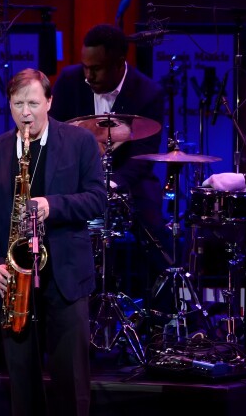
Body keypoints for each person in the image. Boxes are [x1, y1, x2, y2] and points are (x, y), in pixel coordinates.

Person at [0, 68, 105, 416]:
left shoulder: (80, 142)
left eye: (33, 103)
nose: (26, 113)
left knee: (71, 385)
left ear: (49, 101)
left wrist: (52, 205)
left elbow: (97, 199)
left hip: (65, 276)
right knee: (22, 386)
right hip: (15, 282)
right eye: (18, 104)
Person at [50, 23, 171, 292]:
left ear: (119, 64)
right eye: (85, 67)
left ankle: (159, 315)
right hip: (75, 176)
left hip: (127, 181)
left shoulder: (148, 93)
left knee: (155, 233)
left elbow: (143, 156)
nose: (88, 76)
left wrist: (110, 185)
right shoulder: (70, 81)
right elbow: (53, 132)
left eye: (96, 69)